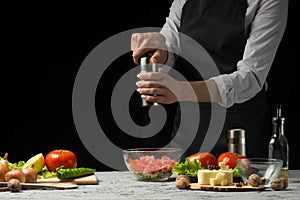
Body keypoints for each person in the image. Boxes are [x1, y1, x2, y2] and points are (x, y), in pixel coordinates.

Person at [131, 0, 289, 159]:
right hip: (190, 128)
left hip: (239, 129)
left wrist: (182, 91)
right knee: (183, 181)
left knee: (241, 182)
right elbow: (171, 51)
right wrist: (159, 48)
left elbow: (251, 77)